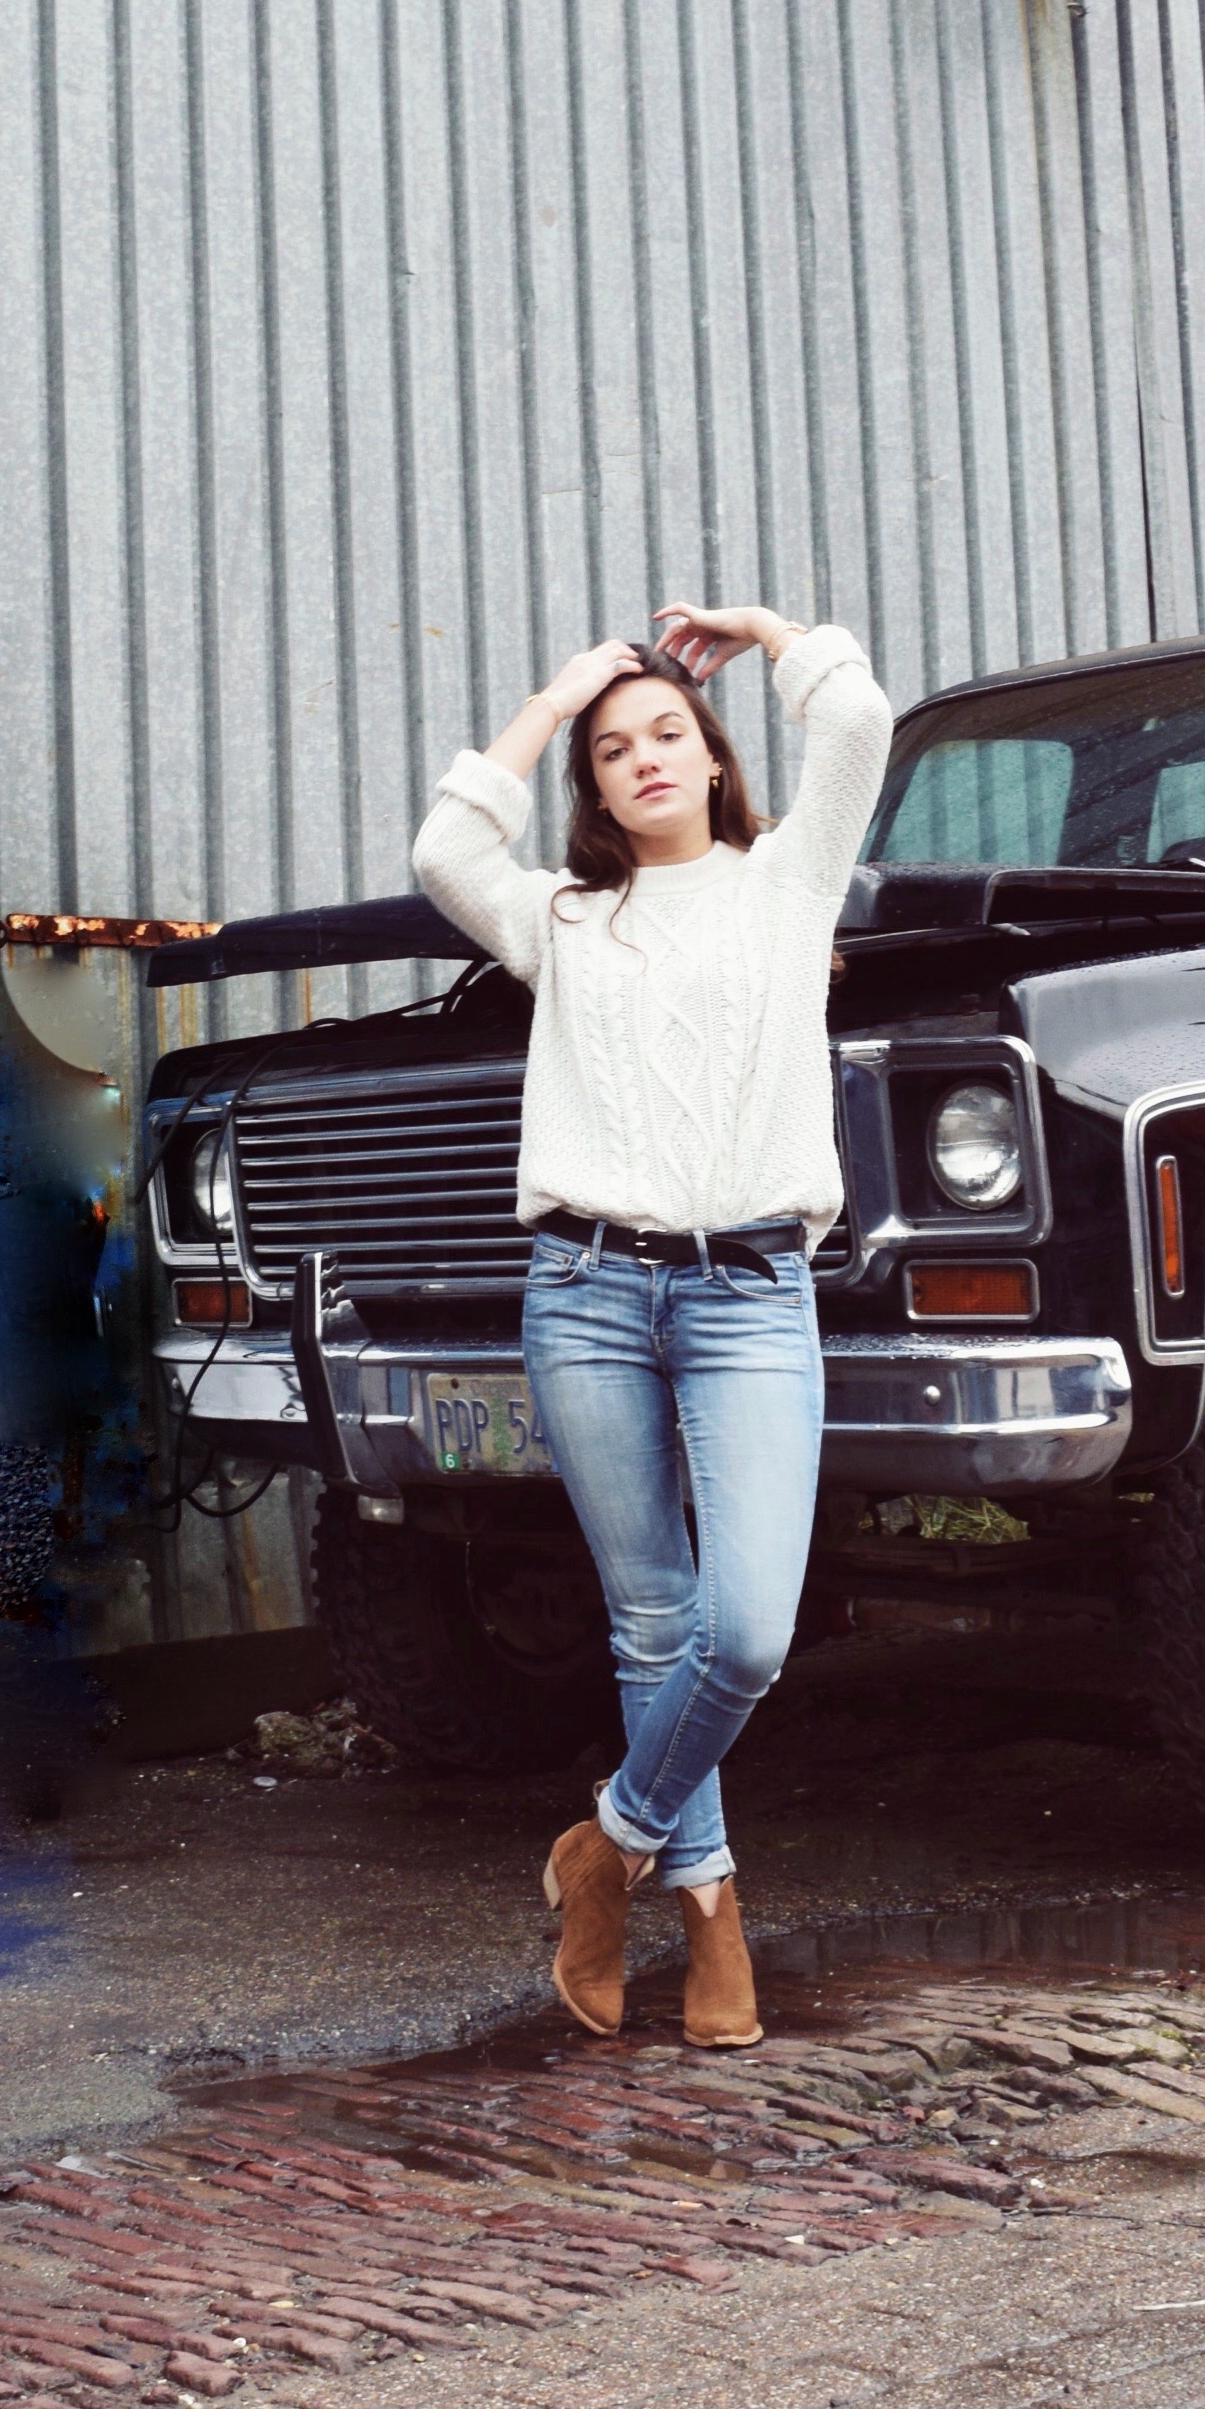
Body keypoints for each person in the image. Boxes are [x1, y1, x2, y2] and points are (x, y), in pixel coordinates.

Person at [412, 602, 893, 2048]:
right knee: (653, 1620)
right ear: (599, 787)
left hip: (750, 1293)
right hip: (588, 1292)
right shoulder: (561, 917)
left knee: (745, 1631)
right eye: (615, 750)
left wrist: (771, 630)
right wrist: (556, 699)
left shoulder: (790, 883)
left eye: (666, 733)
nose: (644, 760)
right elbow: (446, 853)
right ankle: (709, 1913)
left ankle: (607, 1848)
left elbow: (857, 722)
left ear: (713, 753)